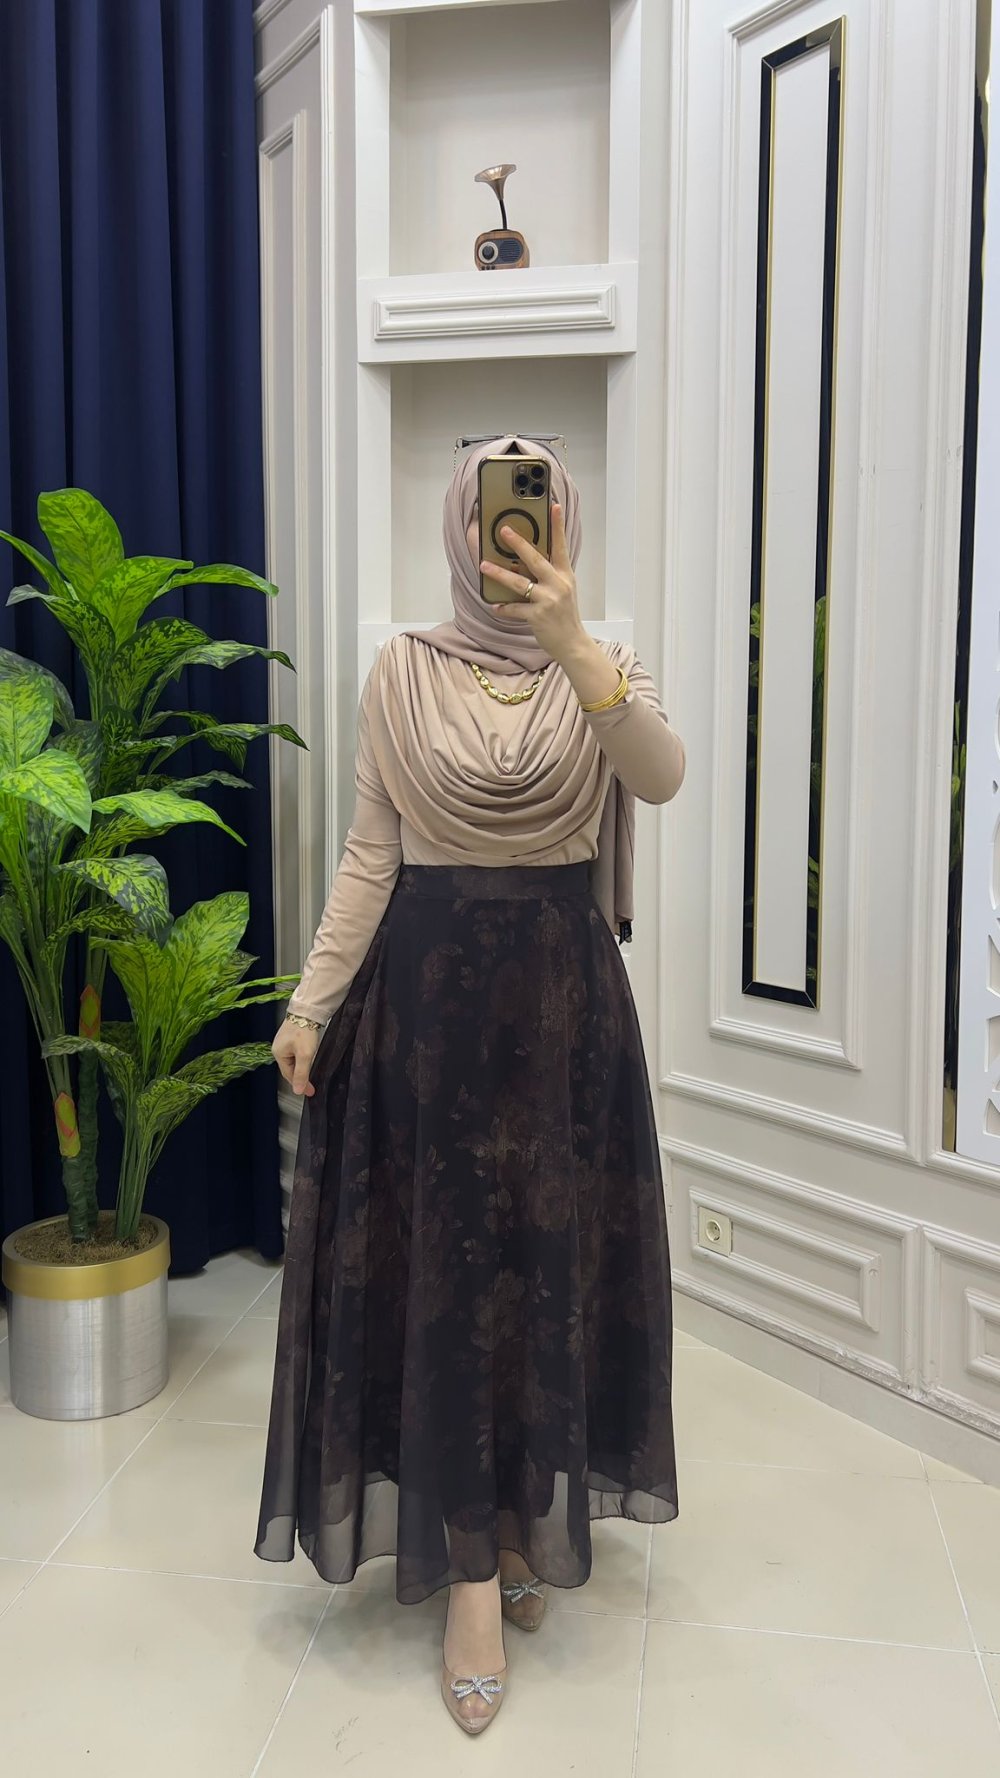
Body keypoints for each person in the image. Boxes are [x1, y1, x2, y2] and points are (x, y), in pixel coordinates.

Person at [256, 434, 685, 1736]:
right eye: (498, 512)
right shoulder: (400, 670)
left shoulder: (604, 665)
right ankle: (471, 1581)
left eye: (537, 510)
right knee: (447, 1280)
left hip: (564, 1018)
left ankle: (517, 1516)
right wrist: (311, 1002)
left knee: (545, 1270)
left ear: (564, 527)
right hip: (427, 1017)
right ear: (461, 527)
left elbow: (660, 776)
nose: (515, 533)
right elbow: (370, 855)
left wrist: (572, 646)